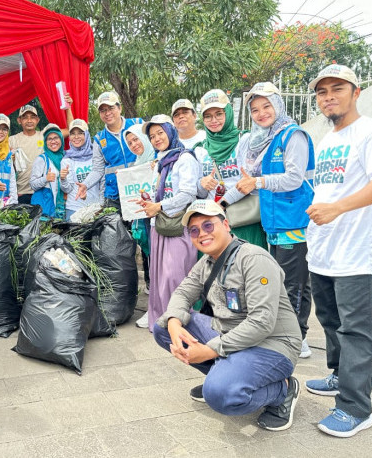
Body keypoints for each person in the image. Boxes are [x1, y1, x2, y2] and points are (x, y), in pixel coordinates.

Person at [304, 64, 372, 438]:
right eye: (322, 91)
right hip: (324, 248)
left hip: (356, 250)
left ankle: (356, 407)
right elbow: (326, 192)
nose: (328, 96)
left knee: (357, 328)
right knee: (330, 320)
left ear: (356, 92)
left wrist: (338, 208)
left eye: (337, 88)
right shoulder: (327, 141)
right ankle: (340, 376)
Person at [153, 199, 301, 431]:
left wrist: (209, 350)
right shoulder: (207, 262)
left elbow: (261, 322)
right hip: (231, 335)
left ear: (226, 225)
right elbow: (182, 293)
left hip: (272, 344)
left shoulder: (253, 258)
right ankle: (224, 374)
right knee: (163, 328)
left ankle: (282, 390)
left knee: (221, 396)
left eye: (208, 225)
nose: (201, 233)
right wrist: (173, 322)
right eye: (194, 230)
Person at [236, 82, 316, 359]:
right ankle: (297, 334)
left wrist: (258, 181)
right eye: (255, 109)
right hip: (275, 221)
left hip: (294, 221)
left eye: (266, 106)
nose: (261, 113)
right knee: (293, 282)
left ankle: (294, 338)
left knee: (291, 284)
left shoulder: (292, 135)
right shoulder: (262, 140)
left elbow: (294, 178)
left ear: (278, 105)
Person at [135, 116, 201, 330]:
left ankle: (178, 318)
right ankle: (160, 316)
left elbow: (188, 193)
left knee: (176, 274)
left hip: (178, 225)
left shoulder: (185, 159)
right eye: (152, 136)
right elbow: (160, 192)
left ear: (170, 132)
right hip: (159, 225)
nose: (156, 139)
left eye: (160, 133)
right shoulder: (161, 161)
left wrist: (160, 205)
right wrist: (149, 198)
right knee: (158, 275)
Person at [196, 89, 267, 249]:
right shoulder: (200, 149)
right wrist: (202, 183)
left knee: (248, 268)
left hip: (244, 220)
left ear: (228, 113)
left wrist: (221, 203)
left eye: (219, 114)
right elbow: (200, 193)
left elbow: (247, 183)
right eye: (208, 116)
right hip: (213, 223)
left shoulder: (245, 140)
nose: (214, 120)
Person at [78, 91, 142, 211]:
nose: (107, 113)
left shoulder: (137, 124)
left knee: (142, 228)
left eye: (111, 108)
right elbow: (98, 169)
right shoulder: (99, 139)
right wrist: (85, 184)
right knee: (116, 229)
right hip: (115, 196)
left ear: (120, 108)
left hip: (141, 188)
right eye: (103, 110)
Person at [124, 123, 155, 289]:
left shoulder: (158, 158)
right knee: (147, 251)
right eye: (129, 143)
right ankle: (151, 285)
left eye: (136, 139)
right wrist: (124, 178)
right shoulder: (135, 166)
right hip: (143, 218)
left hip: (161, 217)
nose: (134, 145)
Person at [60, 119, 101, 220]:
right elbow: (67, 189)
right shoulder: (66, 160)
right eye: (73, 134)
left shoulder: (96, 156)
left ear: (86, 135)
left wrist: (102, 205)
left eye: (80, 133)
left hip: (95, 208)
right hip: (74, 209)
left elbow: (102, 182)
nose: (76, 137)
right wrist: (63, 179)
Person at [9, 104, 44, 205]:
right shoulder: (12, 140)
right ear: (19, 120)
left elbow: (68, 130)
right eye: (25, 117)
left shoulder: (44, 136)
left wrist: (67, 108)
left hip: (41, 191)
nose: (29, 120)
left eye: (32, 117)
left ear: (37, 120)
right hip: (21, 192)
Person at [30, 124, 66, 219]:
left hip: (62, 209)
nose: (53, 141)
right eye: (49, 139)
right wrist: (46, 178)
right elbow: (33, 184)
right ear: (45, 142)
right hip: (44, 210)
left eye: (56, 138)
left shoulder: (66, 158)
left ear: (61, 139)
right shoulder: (41, 159)